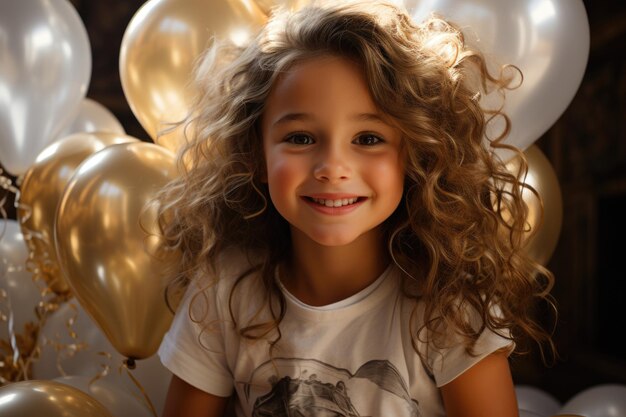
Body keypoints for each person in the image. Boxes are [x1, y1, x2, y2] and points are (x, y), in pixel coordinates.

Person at [154, 1, 555, 416]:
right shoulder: (225, 288)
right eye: (301, 138)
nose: (332, 169)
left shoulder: (448, 309)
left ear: (415, 153)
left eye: (367, 139)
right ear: (256, 153)